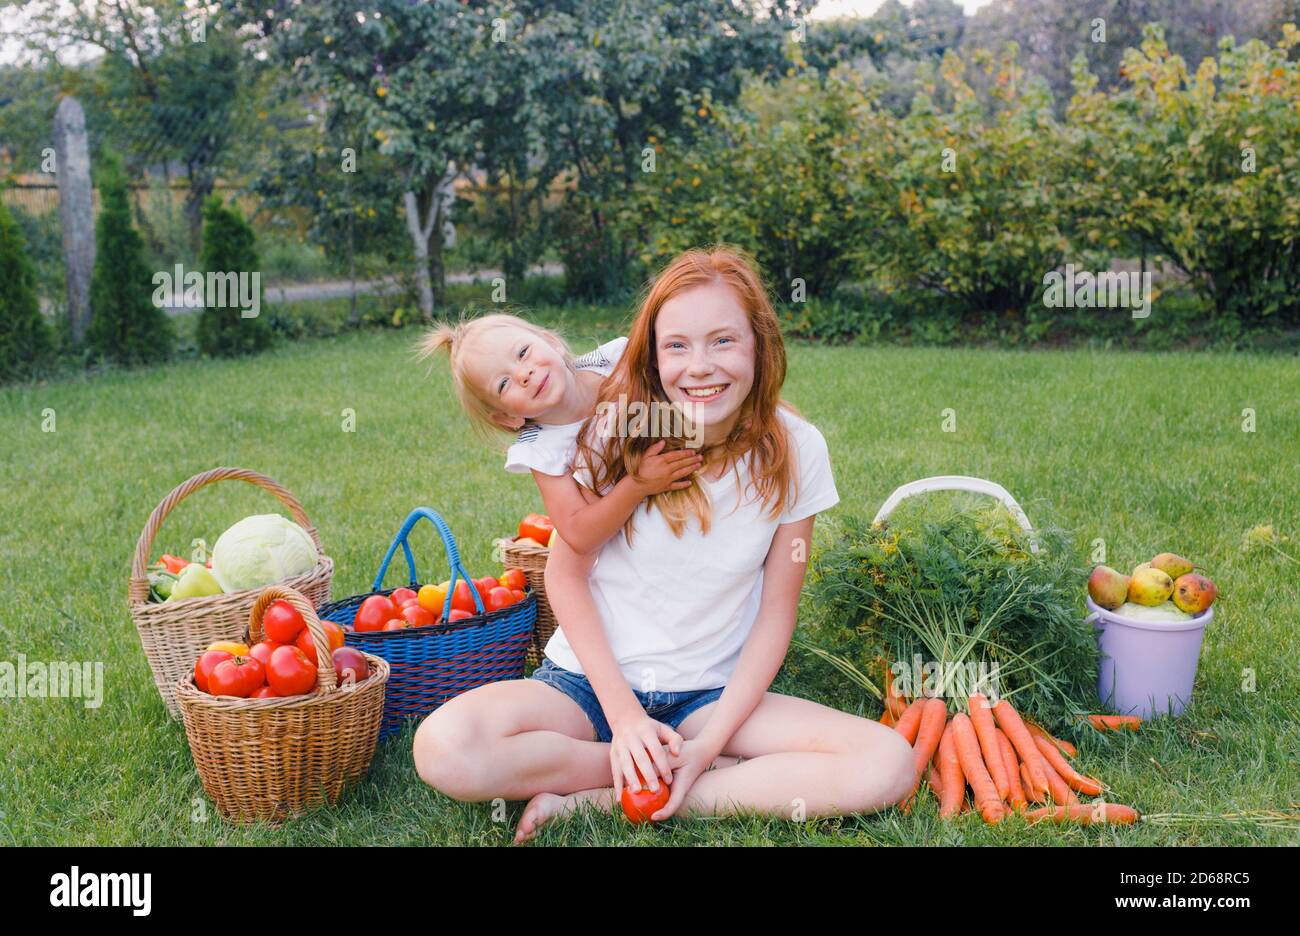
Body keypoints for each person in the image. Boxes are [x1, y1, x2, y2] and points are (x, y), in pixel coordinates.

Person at [414, 248, 913, 843]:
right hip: (588, 689)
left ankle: (609, 797)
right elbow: (565, 575)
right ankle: (639, 763)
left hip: (710, 694)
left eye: (723, 341)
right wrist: (624, 718)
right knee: (443, 747)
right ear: (650, 353)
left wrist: (708, 743)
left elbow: (777, 614)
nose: (699, 367)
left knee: (889, 763)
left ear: (760, 344)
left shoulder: (798, 449)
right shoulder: (612, 430)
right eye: (677, 345)